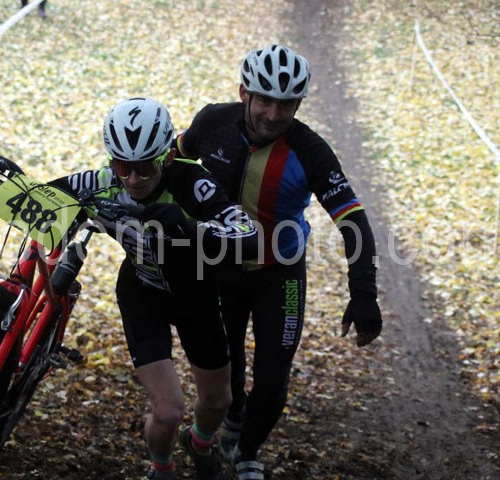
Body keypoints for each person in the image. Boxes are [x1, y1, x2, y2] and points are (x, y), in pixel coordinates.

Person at [0, 98, 261, 480]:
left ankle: (199, 443)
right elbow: (34, 205)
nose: (133, 179)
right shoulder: (101, 183)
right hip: (142, 294)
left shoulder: (193, 182)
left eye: (144, 167)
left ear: (167, 156)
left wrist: (189, 228)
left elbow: (248, 236)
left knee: (218, 401)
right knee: (168, 412)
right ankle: (162, 469)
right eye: (122, 165)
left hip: (196, 296)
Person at [174, 44, 382, 479]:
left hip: (280, 276)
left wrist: (363, 294)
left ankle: (247, 450)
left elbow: (353, 220)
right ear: (244, 93)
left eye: (286, 104)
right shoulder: (213, 122)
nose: (273, 114)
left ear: (298, 104)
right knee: (227, 373)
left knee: (272, 379)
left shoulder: (310, 149)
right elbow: (167, 165)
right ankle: (233, 419)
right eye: (264, 100)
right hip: (217, 270)